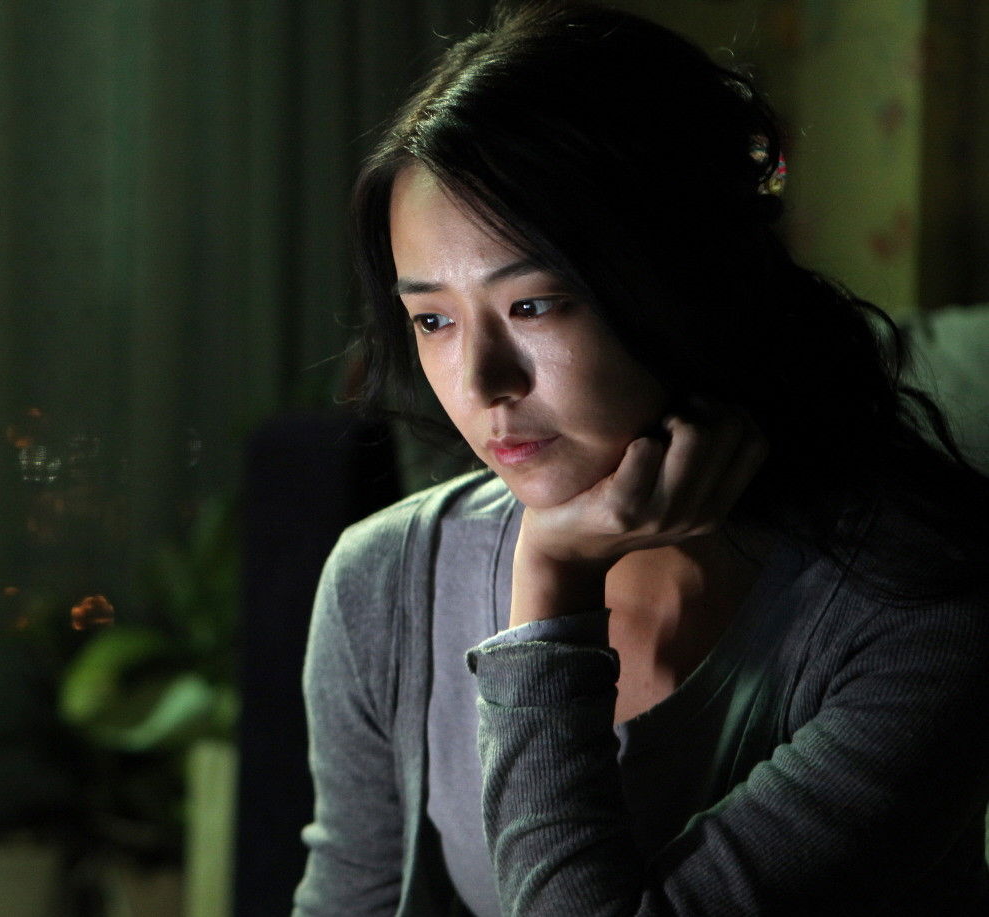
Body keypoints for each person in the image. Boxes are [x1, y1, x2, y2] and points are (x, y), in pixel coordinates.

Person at [294, 2, 989, 915]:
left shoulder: (918, 615)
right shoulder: (386, 579)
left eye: (534, 304)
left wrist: (551, 585)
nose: (480, 379)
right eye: (432, 318)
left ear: (679, 279)